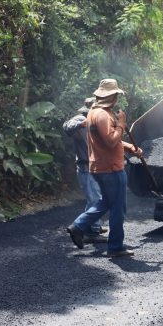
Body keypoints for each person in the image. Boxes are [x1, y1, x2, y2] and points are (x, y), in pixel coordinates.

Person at [66, 79, 143, 257]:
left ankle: (78, 226)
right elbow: (110, 141)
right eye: (116, 95)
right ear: (113, 96)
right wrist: (122, 124)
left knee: (105, 202)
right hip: (111, 169)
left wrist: (130, 147)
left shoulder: (94, 113)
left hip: (100, 167)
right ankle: (115, 247)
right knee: (118, 208)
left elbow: (107, 139)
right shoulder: (102, 115)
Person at [63, 97, 106, 243]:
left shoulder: (96, 123)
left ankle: (93, 226)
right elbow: (67, 126)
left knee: (94, 198)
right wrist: (82, 123)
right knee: (96, 199)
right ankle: (91, 232)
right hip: (86, 168)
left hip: (95, 168)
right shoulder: (80, 119)